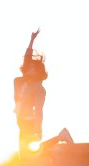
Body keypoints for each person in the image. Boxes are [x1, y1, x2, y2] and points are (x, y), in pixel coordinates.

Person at [14, 29, 72, 158]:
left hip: (29, 121)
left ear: (37, 72)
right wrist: (32, 40)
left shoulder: (39, 89)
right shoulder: (21, 80)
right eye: (28, 67)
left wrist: (38, 128)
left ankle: (60, 137)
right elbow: (27, 57)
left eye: (32, 68)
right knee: (26, 153)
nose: (28, 68)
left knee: (26, 155)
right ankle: (56, 145)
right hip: (20, 119)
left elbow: (39, 110)